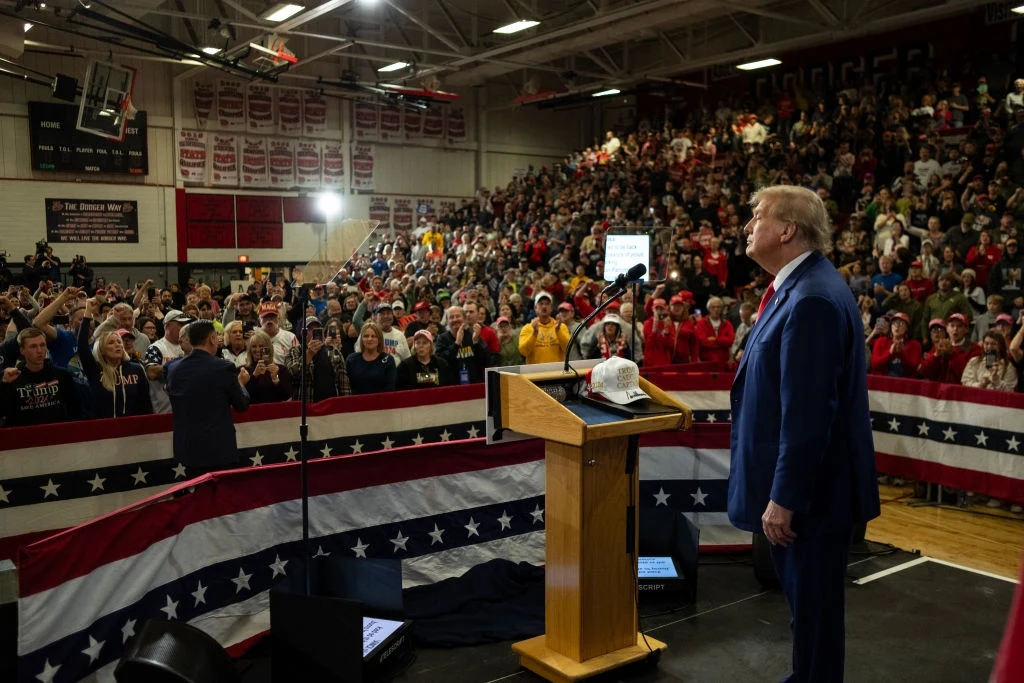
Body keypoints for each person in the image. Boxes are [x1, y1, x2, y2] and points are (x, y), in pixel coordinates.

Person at [729, 185, 880, 683]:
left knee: (814, 619)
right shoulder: (801, 287)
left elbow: (809, 415)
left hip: (811, 500)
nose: (748, 226)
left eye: (756, 216)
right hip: (811, 494)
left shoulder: (811, 298)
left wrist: (784, 497)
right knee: (809, 618)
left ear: (787, 230)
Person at [165, 320, 251, 474]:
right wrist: (241, 384)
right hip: (217, 450)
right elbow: (241, 405)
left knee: (196, 496)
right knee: (220, 496)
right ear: (212, 339)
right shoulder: (224, 367)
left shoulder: (172, 368)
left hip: (186, 449)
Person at [78, 303, 152, 417]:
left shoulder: (136, 369)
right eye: (111, 342)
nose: (118, 345)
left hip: (134, 430)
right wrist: (87, 313)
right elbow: (82, 347)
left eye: (119, 342)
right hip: (105, 430)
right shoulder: (96, 370)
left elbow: (146, 404)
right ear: (102, 350)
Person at [1, 327, 82, 426]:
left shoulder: (62, 375)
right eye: (33, 346)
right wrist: (4, 385)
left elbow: (75, 409)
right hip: (24, 436)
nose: (39, 350)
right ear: (22, 350)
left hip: (58, 435)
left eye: (42, 345)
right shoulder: (12, 378)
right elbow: (3, 412)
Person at [284, 317, 351, 402]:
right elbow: (294, 373)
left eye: (317, 329)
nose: (314, 332)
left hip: (332, 406)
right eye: (310, 329)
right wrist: (309, 354)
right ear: (303, 333)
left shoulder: (333, 351)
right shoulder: (294, 351)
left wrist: (346, 404)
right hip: (306, 406)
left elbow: (344, 384)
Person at [143, 309, 192, 413]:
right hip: (164, 409)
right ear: (167, 325)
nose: (184, 327)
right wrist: (183, 366)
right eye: (180, 324)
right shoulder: (156, 347)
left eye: (185, 324)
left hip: (187, 407)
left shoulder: (191, 346)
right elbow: (151, 372)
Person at [518, 291, 570, 364]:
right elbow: (523, 351)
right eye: (541, 304)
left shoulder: (561, 327)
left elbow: (568, 349)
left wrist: (558, 331)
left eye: (547, 304)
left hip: (556, 372)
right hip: (535, 373)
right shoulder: (527, 328)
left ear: (551, 308)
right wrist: (534, 334)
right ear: (535, 308)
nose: (544, 306)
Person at [346, 321, 397, 394]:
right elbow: (347, 387)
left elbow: (390, 388)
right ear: (361, 339)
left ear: (379, 339)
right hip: (356, 403)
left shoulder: (388, 360)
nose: (369, 339)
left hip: (381, 403)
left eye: (373, 336)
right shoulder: (351, 359)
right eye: (366, 336)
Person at [245, 331, 294, 404]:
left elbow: (287, 395)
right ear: (250, 350)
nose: (258, 350)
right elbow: (242, 396)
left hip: (275, 412)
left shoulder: (281, 370)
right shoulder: (244, 370)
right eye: (254, 346)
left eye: (261, 346)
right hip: (252, 412)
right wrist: (254, 376)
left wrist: (275, 379)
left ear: (269, 348)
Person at [870, 312, 922, 378]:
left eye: (901, 323)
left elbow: (915, 370)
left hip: (906, 383)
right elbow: (874, 365)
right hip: (883, 381)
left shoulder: (915, 345)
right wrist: (890, 353)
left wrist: (901, 355)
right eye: (894, 323)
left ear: (907, 328)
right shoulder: (881, 341)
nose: (897, 326)